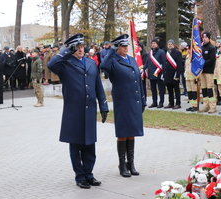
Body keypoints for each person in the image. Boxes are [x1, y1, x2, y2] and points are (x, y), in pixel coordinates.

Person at [47, 33, 109, 189]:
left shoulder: (90, 63)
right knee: (76, 144)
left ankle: (89, 174)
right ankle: (80, 176)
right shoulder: (65, 63)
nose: (81, 50)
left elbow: (98, 86)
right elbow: (51, 65)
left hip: (89, 109)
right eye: (77, 47)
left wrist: (103, 105)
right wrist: (67, 50)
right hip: (74, 110)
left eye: (82, 46)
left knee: (90, 143)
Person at [100, 34, 146, 178]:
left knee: (132, 132)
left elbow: (138, 81)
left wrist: (143, 99)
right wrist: (111, 52)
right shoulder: (113, 60)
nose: (126, 48)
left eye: (127, 46)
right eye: (123, 46)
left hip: (134, 100)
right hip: (122, 101)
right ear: (117, 47)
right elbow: (103, 66)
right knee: (122, 133)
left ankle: (130, 163)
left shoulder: (131, 60)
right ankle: (122, 164)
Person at [144, 38, 166, 108]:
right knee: (153, 89)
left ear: (157, 44)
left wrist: (163, 73)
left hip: (159, 73)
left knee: (161, 89)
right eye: (152, 43)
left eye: (154, 43)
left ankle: (161, 102)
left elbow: (164, 63)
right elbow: (147, 62)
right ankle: (154, 102)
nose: (153, 45)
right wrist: (143, 69)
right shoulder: (149, 53)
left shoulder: (161, 52)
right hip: (151, 73)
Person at [199, 32, 217, 113]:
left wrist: (202, 64)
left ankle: (212, 106)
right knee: (204, 89)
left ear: (209, 38)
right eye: (203, 37)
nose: (204, 39)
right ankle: (206, 106)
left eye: (206, 37)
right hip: (202, 71)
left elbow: (211, 59)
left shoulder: (211, 47)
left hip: (209, 71)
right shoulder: (201, 47)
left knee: (210, 89)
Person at [163, 39, 183, 109]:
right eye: (169, 44)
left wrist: (177, 75)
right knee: (169, 90)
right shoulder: (166, 53)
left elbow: (179, 65)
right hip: (167, 74)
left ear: (174, 45)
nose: (170, 45)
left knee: (176, 90)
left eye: (171, 44)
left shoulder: (177, 53)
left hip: (174, 74)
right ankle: (171, 103)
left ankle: (178, 103)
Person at [184, 44, 198, 111]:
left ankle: (195, 105)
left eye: (189, 49)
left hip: (193, 77)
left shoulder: (195, 57)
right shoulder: (187, 56)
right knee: (189, 91)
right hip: (187, 76)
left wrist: (196, 77)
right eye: (187, 49)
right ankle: (191, 105)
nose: (188, 51)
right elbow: (186, 66)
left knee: (194, 91)